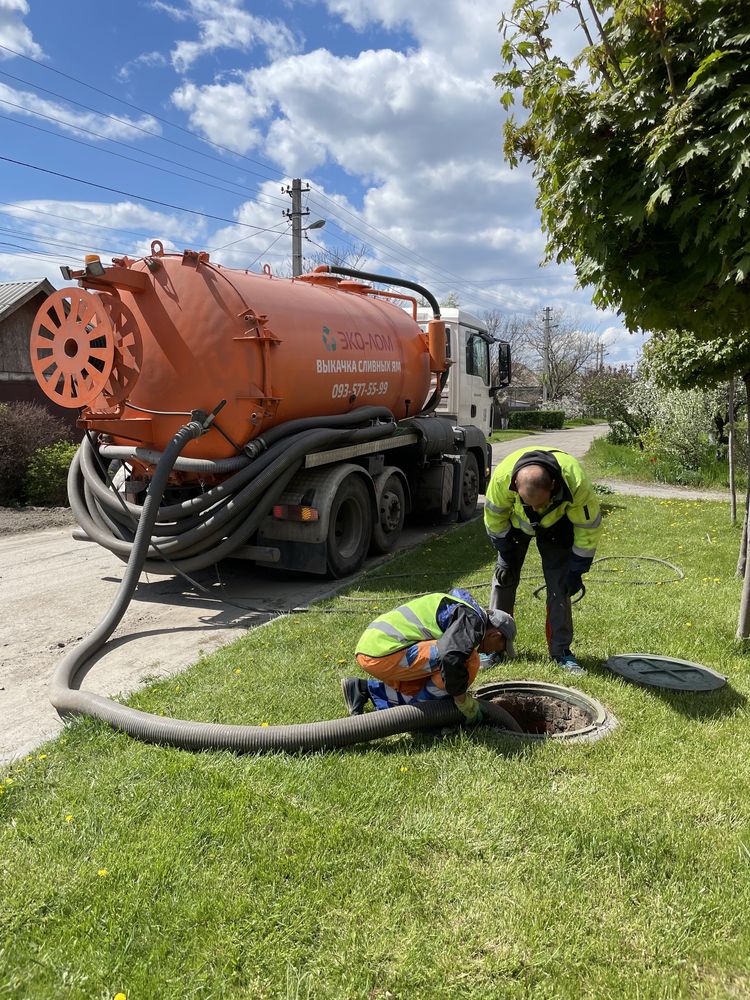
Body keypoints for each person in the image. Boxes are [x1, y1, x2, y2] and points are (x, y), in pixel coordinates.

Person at [484, 447, 602, 674]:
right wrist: (505, 555)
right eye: (530, 503)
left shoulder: (575, 483)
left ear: (554, 486)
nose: (536, 508)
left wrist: (576, 569)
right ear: (515, 486)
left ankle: (561, 651)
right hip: (514, 529)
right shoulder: (501, 480)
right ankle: (493, 645)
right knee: (503, 579)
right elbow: (495, 519)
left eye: (541, 503)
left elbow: (587, 528)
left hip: (558, 527)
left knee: (560, 586)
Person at [340, 588, 516, 722]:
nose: (494, 652)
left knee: (432, 681)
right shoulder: (473, 620)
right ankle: (424, 718)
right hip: (383, 652)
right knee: (469, 660)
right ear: (495, 635)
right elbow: (450, 657)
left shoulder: (463, 609)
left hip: (375, 650)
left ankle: (365, 689)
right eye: (500, 647)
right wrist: (462, 701)